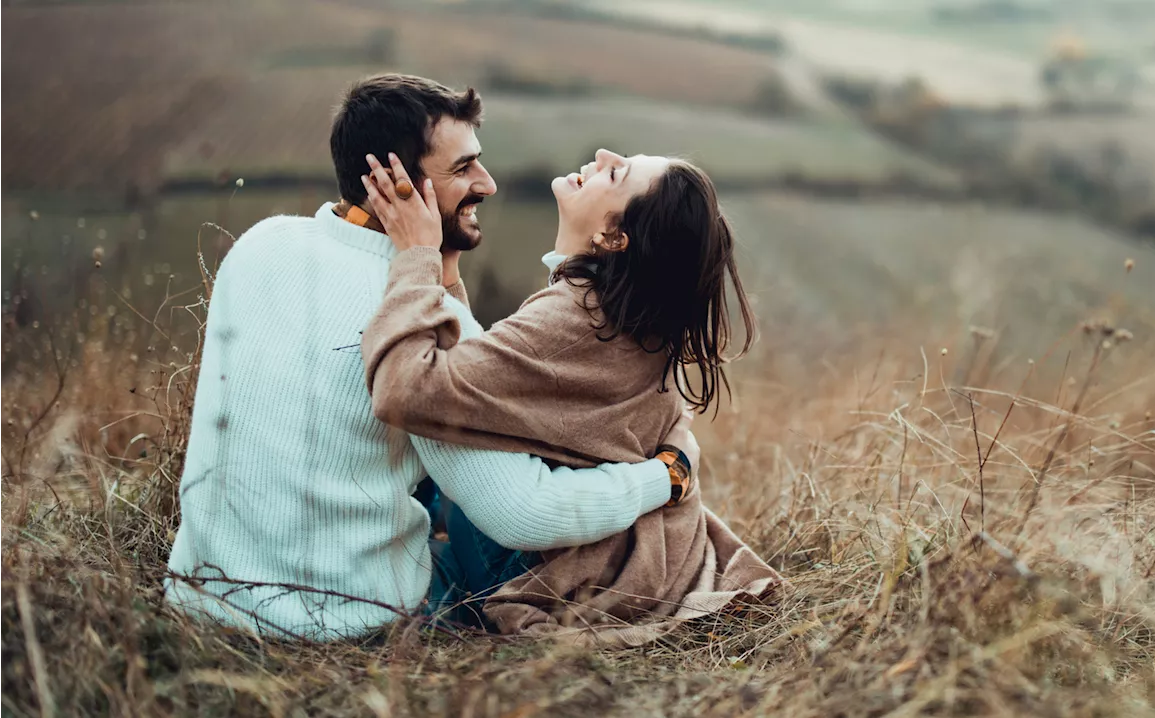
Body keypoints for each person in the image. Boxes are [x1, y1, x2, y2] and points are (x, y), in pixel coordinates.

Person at [164, 74, 698, 641]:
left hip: (198, 598)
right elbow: (523, 514)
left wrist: (434, 267)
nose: (487, 184)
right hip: (341, 623)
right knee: (485, 517)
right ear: (397, 185)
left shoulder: (261, 244)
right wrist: (662, 479)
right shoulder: (419, 321)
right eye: (462, 168)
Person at [360, 147, 781, 645]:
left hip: (550, 569)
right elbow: (500, 376)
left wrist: (415, 259)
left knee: (399, 524)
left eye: (617, 171)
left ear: (613, 236)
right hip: (607, 554)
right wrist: (448, 279)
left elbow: (407, 391)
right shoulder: (621, 312)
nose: (602, 154)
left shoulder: (578, 318)